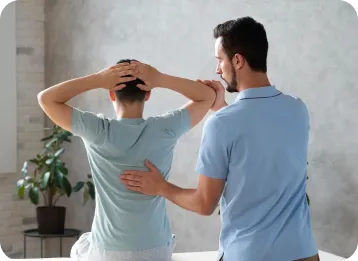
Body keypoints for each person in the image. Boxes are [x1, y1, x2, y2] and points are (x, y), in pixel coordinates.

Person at [120, 17, 319, 261]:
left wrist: (160, 187)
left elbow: (204, 204)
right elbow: (259, 135)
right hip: (304, 254)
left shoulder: (223, 123)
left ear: (238, 60)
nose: (217, 69)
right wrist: (221, 107)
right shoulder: (297, 109)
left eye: (220, 60)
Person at [37, 59, 215, 261]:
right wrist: (160, 78)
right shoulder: (165, 128)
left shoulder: (97, 130)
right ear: (148, 94)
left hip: (107, 254)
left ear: (111, 93)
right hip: (157, 252)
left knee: (82, 245)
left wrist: (97, 79)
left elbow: (46, 99)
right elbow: (208, 97)